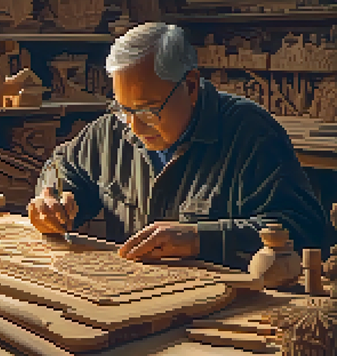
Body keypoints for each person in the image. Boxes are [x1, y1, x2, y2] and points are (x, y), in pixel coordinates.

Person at [28, 22, 329, 268]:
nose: (134, 126)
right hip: (134, 301)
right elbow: (63, 164)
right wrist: (53, 199)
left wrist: (201, 239)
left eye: (147, 110)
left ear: (191, 86)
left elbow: (306, 232)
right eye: (124, 109)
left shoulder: (252, 134)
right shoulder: (112, 129)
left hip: (223, 313)